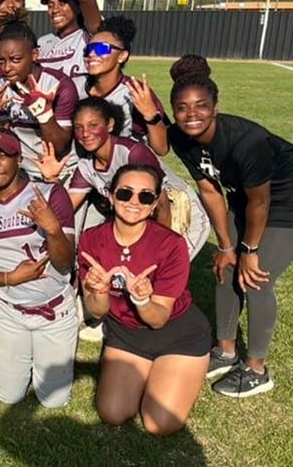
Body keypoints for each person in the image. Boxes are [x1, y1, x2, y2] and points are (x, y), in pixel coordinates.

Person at [168, 55, 293, 398]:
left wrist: (251, 251)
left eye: (201, 106)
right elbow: (209, 188)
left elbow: (261, 202)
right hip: (245, 193)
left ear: (215, 107)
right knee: (226, 268)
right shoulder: (180, 136)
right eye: (182, 107)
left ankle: (257, 369)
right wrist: (226, 246)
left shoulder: (246, 140)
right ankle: (225, 350)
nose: (191, 114)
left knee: (255, 278)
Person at [79, 164, 210, 436]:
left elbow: (159, 317)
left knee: (158, 424)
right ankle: (150, 373)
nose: (134, 202)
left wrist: (141, 299)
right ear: (111, 196)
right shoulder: (91, 240)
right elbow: (96, 311)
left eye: (146, 196)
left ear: (154, 204)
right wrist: (99, 291)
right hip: (125, 336)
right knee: (113, 413)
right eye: (125, 194)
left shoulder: (172, 244)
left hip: (177, 335)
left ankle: (177, 371)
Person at [0, 130, 78, 406]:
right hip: (7, 309)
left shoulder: (50, 194)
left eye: (2, 155)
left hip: (53, 308)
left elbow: (64, 262)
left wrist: (52, 229)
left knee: (54, 399)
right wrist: (10, 278)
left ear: (18, 159)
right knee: (9, 395)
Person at [39, 97, 210, 258]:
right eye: (78, 127)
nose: (85, 133)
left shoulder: (132, 153)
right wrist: (52, 180)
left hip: (181, 211)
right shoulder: (87, 166)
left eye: (93, 125)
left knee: (166, 273)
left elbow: (162, 204)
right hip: (145, 215)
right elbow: (67, 207)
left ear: (110, 125)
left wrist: (160, 249)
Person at [0, 21, 78, 180]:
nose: (6, 68)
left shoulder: (58, 85)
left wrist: (45, 116)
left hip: (60, 170)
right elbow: (3, 141)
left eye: (15, 59)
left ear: (35, 55)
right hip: (21, 171)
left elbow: (60, 148)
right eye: (1, 61)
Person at [81, 16, 169, 155]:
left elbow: (162, 149)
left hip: (130, 169)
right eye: (88, 49)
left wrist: (151, 114)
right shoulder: (77, 87)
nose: (91, 54)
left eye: (101, 49)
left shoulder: (134, 91)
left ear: (122, 56)